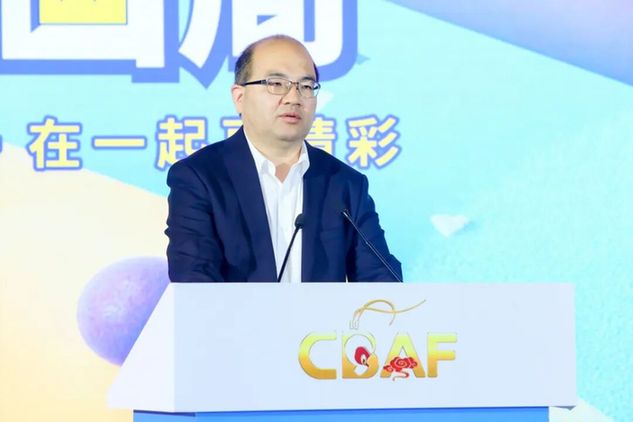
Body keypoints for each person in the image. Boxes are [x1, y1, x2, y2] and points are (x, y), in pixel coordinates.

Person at [165, 35, 401, 283]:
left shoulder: (345, 183)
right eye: (276, 84)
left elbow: (380, 279)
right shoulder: (199, 178)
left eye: (306, 86)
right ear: (239, 97)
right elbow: (194, 281)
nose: (293, 98)